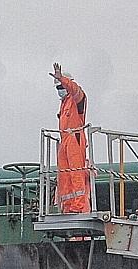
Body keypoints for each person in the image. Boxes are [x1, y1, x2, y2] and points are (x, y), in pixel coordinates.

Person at [52, 64, 92, 214]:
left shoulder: (77, 98)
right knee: (65, 176)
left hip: (75, 138)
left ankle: (79, 206)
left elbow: (75, 89)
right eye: (57, 87)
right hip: (65, 140)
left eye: (61, 86)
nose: (59, 90)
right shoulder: (64, 104)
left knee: (76, 173)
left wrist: (62, 78)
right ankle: (68, 206)